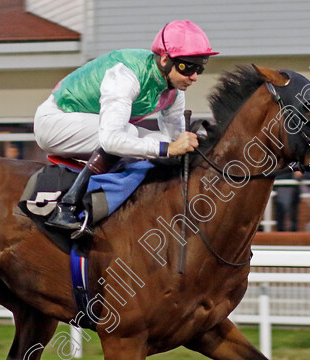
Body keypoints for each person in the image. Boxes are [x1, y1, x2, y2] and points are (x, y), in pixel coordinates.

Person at [33, 20, 214, 234]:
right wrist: (170, 148)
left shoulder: (175, 90)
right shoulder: (126, 74)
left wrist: (188, 145)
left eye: (199, 69)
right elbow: (110, 140)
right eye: (187, 67)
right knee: (128, 135)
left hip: (89, 125)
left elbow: (173, 140)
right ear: (165, 59)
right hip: (55, 122)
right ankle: (68, 207)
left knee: (158, 143)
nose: (193, 77)